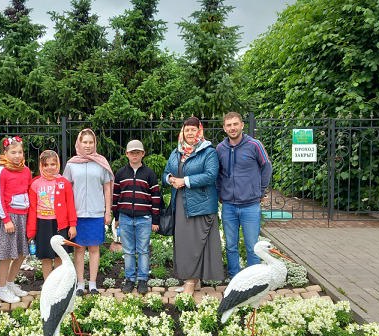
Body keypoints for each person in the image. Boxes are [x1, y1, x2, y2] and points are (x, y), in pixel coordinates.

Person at [163, 117, 223, 295]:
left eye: (193, 129)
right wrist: (170, 179)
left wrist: (185, 181)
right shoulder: (177, 152)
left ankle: (190, 282)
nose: (190, 133)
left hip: (201, 205)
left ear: (199, 131)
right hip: (181, 204)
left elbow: (211, 175)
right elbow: (166, 172)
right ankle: (193, 281)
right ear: (183, 131)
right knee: (184, 243)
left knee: (196, 243)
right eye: (187, 129)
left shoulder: (208, 151)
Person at [216, 111, 273, 279]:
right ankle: (235, 277)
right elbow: (217, 174)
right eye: (229, 125)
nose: (232, 128)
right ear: (224, 128)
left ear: (242, 125)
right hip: (229, 206)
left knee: (252, 246)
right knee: (231, 245)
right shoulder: (220, 149)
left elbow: (267, 167)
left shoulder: (254, 145)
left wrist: (260, 190)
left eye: (235, 124)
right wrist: (220, 192)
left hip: (250, 206)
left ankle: (253, 280)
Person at [63, 128, 114, 296]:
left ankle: (92, 284)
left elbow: (107, 188)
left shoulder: (101, 163)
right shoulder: (71, 164)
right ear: (79, 143)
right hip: (76, 214)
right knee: (79, 249)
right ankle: (80, 283)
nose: (87, 145)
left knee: (94, 248)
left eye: (90, 142)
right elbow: (66, 189)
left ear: (95, 144)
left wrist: (108, 211)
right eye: (84, 142)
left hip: (96, 213)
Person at [113, 139, 161, 294]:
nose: (134, 155)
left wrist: (155, 219)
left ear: (142, 154)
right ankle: (129, 279)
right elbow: (115, 196)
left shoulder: (149, 174)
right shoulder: (120, 173)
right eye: (131, 152)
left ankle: (142, 280)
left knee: (143, 250)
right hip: (125, 217)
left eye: (137, 152)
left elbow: (156, 197)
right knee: (128, 250)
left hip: (144, 218)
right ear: (127, 154)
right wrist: (117, 217)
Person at [0, 135, 33, 304]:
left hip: (24, 216)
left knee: (21, 253)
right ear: (5, 153)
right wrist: (6, 219)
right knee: (7, 255)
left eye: (20, 152)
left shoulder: (26, 170)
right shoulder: (2, 171)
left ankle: (10, 283)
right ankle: (1, 288)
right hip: (9, 218)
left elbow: (30, 192)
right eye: (13, 152)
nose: (17, 155)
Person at [26, 149, 77, 280]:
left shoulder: (64, 183)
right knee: (46, 256)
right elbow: (32, 209)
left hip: (60, 224)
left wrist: (72, 225)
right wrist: (31, 231)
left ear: (58, 165)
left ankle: (59, 284)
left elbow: (70, 205)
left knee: (59, 254)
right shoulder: (35, 183)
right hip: (42, 224)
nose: (50, 167)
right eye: (46, 165)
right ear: (41, 166)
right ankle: (48, 283)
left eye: (53, 164)